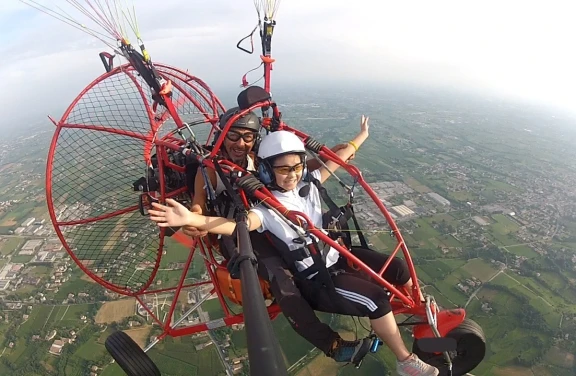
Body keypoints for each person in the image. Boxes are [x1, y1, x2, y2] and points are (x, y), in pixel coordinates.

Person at [151, 116, 439, 376]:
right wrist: (193, 218)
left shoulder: (305, 181)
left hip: (333, 256)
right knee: (373, 298)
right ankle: (404, 361)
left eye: (296, 167)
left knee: (398, 268)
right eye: (284, 169)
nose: (291, 174)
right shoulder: (264, 206)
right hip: (315, 273)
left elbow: (335, 161)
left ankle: (418, 304)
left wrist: (360, 137)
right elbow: (238, 225)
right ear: (267, 170)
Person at [184, 107, 373, 363]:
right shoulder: (210, 170)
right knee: (280, 279)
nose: (240, 143)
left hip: (273, 219)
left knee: (321, 237)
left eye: (247, 137)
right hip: (239, 230)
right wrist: (193, 219)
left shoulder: (260, 161)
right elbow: (199, 202)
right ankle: (332, 344)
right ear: (221, 136)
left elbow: (310, 168)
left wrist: (353, 143)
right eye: (234, 136)